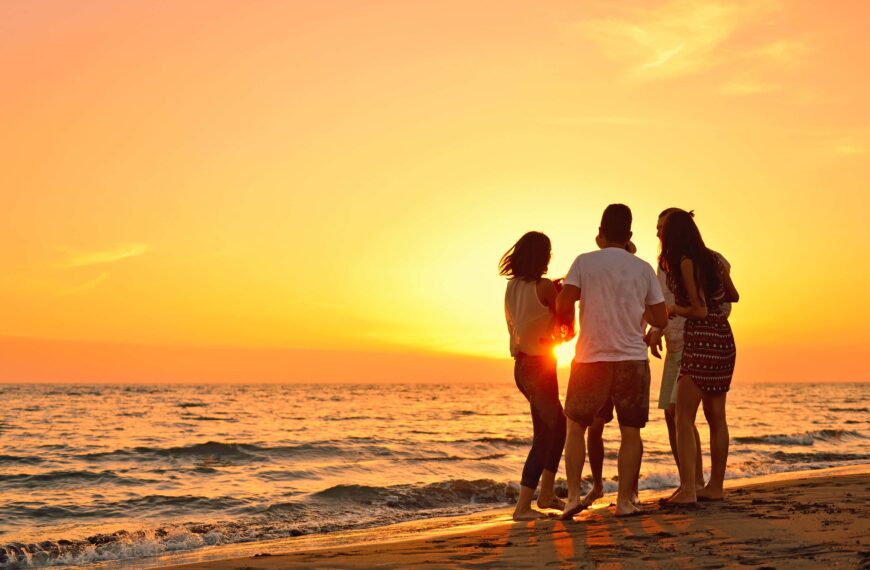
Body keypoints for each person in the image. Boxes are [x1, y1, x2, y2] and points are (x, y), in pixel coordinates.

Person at [556, 205, 668, 518]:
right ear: (629, 235)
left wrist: (568, 320)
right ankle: (622, 502)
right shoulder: (643, 268)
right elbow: (660, 317)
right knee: (630, 431)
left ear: (600, 233)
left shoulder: (584, 262)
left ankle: (573, 497)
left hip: (590, 358)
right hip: (632, 358)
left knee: (576, 426)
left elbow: (564, 302)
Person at [645, 208, 733, 497]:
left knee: (682, 415)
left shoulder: (682, 261)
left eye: (663, 229)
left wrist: (673, 309)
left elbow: (698, 310)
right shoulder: (715, 259)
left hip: (699, 340)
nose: (659, 234)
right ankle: (714, 487)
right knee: (716, 415)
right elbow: (733, 295)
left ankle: (688, 488)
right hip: (722, 337)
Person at [500, 231, 568, 520]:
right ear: (543, 257)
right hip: (540, 367)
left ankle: (547, 494)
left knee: (558, 425)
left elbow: (528, 318)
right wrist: (564, 294)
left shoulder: (513, 287)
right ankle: (523, 506)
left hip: (523, 367)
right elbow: (564, 327)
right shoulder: (546, 288)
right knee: (546, 434)